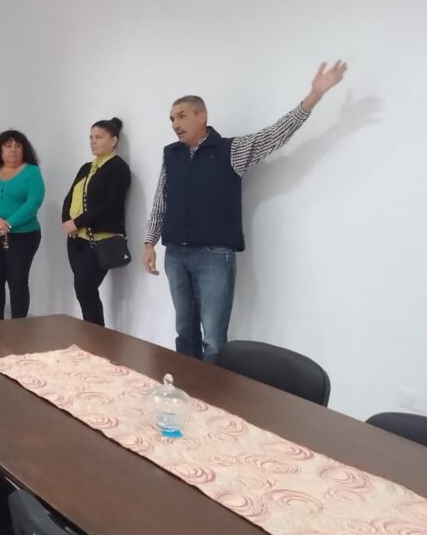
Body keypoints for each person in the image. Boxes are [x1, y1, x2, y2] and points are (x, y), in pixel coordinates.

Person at [142, 61, 348, 363]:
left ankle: (211, 391)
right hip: (175, 254)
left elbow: (275, 134)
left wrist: (314, 96)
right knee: (185, 332)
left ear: (202, 116)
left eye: (182, 116)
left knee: (213, 339)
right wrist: (149, 242)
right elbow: (161, 199)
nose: (175, 123)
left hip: (214, 256)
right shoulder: (170, 154)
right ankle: (183, 387)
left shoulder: (230, 150)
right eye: (172, 118)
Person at [61, 118, 132, 326]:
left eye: (99, 137)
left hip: (100, 239)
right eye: (91, 137)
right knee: (83, 290)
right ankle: (92, 334)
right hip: (76, 239)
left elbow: (111, 204)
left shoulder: (118, 167)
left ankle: (97, 336)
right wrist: (67, 221)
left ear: (113, 140)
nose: (93, 141)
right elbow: (71, 196)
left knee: (85, 288)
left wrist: (78, 222)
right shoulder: (87, 167)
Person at [0, 129, 45, 320]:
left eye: (18, 145)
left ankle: (18, 326)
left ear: (24, 150)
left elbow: (34, 202)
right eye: (8, 145)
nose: (13, 149)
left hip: (24, 237)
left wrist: (8, 224)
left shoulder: (32, 172)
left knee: (17, 281)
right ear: (0, 149)